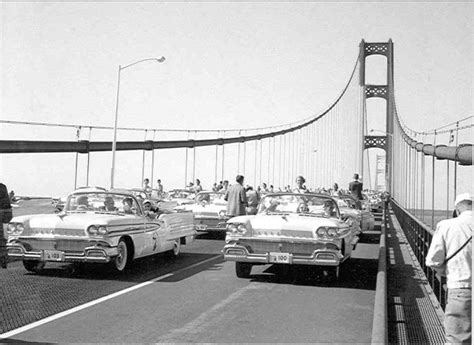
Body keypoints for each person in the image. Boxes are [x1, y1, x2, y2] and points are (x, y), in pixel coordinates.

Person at [426, 193, 472, 344]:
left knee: (457, 341)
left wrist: (446, 272)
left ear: (457, 211)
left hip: (460, 291)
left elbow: (432, 260)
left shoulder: (447, 225)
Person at [0, 183, 12, 269]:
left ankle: (3, 260)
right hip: (5, 214)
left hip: (3, 214)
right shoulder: (3, 186)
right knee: (3, 241)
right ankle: (3, 261)